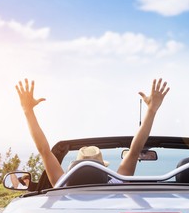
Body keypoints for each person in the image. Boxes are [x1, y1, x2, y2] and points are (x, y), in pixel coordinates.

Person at [15, 78, 169, 186]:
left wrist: (27, 110)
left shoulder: (62, 185)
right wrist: (152, 110)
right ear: (102, 167)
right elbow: (135, 150)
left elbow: (44, 151)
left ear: (75, 168)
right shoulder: (115, 185)